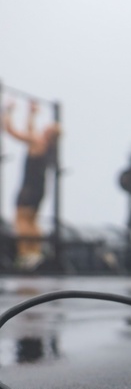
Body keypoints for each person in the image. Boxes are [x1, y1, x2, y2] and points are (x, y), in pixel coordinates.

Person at [3, 100, 60, 271]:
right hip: (38, 188)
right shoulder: (47, 146)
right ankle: (34, 252)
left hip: (29, 187)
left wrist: (8, 111)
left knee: (21, 220)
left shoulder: (38, 142)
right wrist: (32, 113)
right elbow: (30, 131)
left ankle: (26, 254)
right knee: (32, 220)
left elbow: (11, 131)